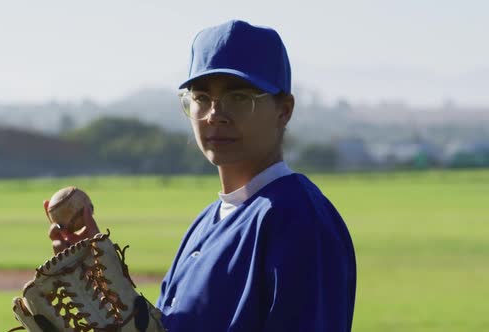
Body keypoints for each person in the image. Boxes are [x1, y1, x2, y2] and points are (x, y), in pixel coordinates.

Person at [47, 19, 356, 332]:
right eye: (201, 97)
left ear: (284, 110)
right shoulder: (207, 222)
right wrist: (103, 283)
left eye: (239, 97)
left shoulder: (297, 221)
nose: (215, 115)